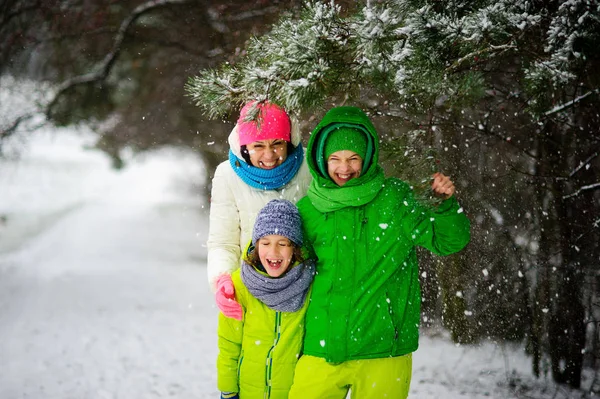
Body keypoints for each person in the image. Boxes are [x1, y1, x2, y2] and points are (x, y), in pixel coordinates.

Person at [288, 106, 471, 398]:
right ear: (322, 160)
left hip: (383, 350)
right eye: (335, 159)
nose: (344, 168)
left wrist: (445, 205)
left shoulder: (394, 199)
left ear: (367, 157)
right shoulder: (306, 210)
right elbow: (285, 270)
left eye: (353, 158)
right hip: (320, 345)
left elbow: (447, 241)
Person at [207, 101, 312, 320]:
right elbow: (223, 242)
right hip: (253, 287)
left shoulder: (309, 167)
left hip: (304, 287)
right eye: (258, 146)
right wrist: (222, 279)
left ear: (289, 142)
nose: (269, 155)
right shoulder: (227, 175)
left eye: (277, 144)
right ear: (245, 147)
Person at [217, 199, 315, 399]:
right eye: (265, 243)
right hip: (247, 392)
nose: (273, 252)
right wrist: (228, 390)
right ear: (255, 244)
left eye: (283, 243)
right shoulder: (239, 284)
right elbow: (228, 343)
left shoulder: (309, 283)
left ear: (295, 248)